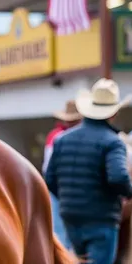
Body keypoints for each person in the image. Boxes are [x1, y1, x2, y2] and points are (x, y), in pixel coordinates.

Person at [45, 78, 132, 264]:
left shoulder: (63, 140)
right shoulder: (112, 142)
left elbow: (50, 178)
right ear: (113, 113)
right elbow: (118, 177)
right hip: (102, 221)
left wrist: (68, 199)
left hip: (72, 220)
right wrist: (131, 192)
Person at [41, 100, 81, 250]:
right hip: (73, 191)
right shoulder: (69, 138)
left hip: (58, 189)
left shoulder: (55, 136)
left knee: (60, 232)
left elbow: (47, 169)